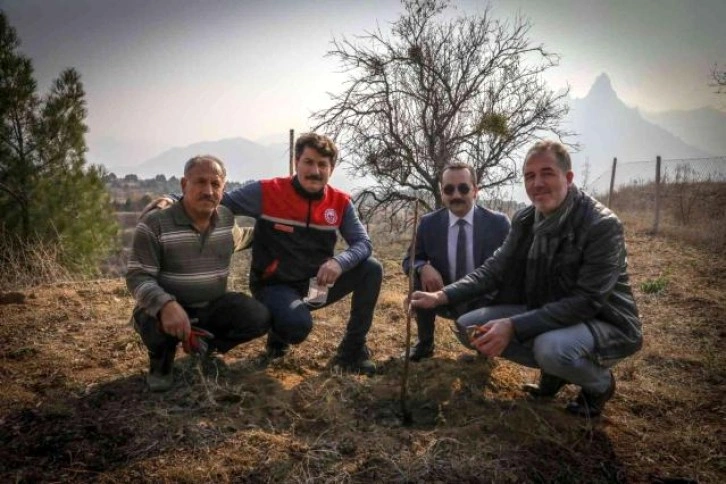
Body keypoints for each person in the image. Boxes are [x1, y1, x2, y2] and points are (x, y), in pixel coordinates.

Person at [410, 140, 642, 417]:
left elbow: (587, 301)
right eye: (530, 176)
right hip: (547, 310)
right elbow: (495, 269)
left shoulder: (601, 225)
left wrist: (513, 326)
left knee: (550, 348)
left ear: (568, 178)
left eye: (547, 173)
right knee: (470, 325)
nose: (537, 183)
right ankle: (554, 374)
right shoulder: (525, 219)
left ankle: (599, 384)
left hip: (603, 319)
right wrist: (440, 296)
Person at [153, 133, 382, 375]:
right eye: (309, 162)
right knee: (296, 327)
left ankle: (352, 351)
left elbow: (363, 244)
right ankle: (275, 331)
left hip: (316, 286)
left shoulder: (340, 203)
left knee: (371, 268)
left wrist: (339, 261)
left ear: (331, 169)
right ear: (296, 162)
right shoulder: (267, 191)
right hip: (274, 285)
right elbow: (220, 201)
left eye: (322, 164)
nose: (315, 170)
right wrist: (172, 199)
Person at [126, 155, 271, 392]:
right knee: (153, 322)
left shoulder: (225, 220)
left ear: (224, 188)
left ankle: (204, 346)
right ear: (184, 185)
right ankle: (161, 362)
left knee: (258, 316)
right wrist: (166, 305)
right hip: (165, 312)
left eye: (215, 184)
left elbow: (246, 237)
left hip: (210, 307)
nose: (208, 190)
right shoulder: (155, 224)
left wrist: (282, 231)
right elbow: (137, 277)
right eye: (200, 182)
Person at [402, 162, 509, 361]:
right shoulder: (429, 223)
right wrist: (422, 267)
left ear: (475, 191)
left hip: (483, 301)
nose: (456, 195)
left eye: (463, 188)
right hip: (443, 297)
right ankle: (425, 345)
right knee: (419, 279)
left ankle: (483, 351)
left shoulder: (498, 223)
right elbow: (410, 260)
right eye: (449, 189)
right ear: (442, 193)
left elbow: (511, 268)